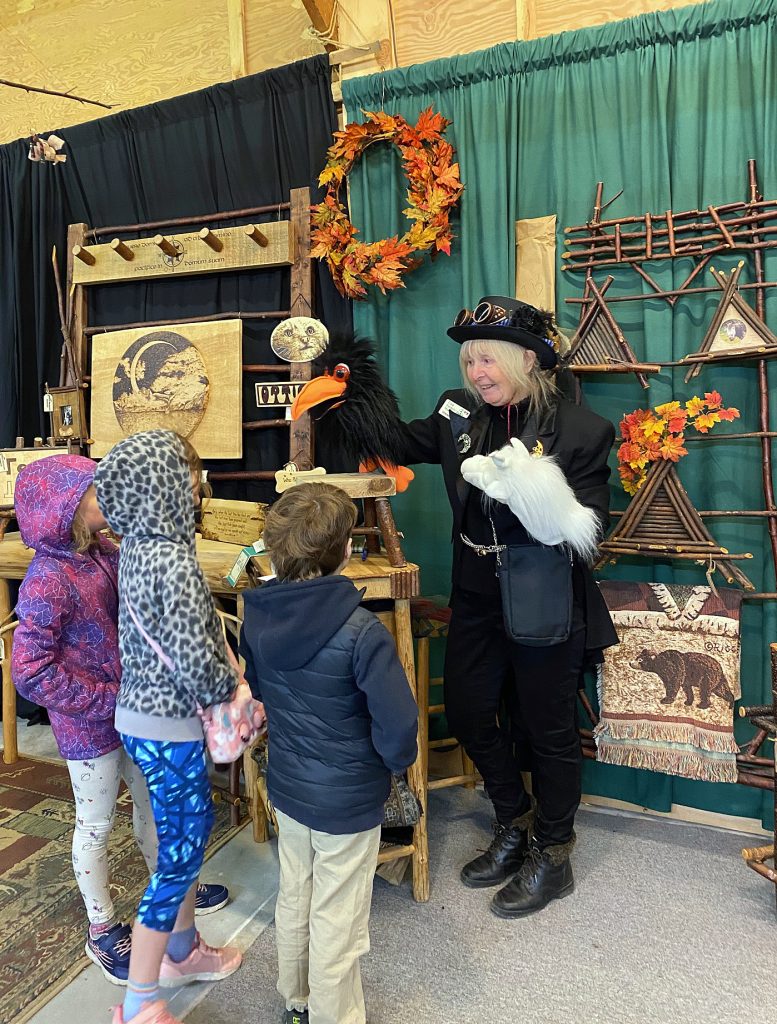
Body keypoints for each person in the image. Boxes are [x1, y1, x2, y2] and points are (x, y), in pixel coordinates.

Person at [395, 295, 617, 918]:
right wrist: (341, 395)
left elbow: (589, 529)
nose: (475, 372)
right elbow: (397, 438)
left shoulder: (581, 430)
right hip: (476, 591)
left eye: (486, 359)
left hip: (545, 597)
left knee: (547, 731)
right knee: (467, 711)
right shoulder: (458, 413)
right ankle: (513, 819)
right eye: (468, 360)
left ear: (527, 359)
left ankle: (554, 851)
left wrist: (533, 491)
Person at [11, 455, 230, 985]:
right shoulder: (47, 579)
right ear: (66, 507)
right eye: (95, 492)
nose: (108, 498)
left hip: (138, 714)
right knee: (96, 823)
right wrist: (105, 699)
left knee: (155, 807)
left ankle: (170, 890)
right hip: (90, 727)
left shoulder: (109, 551)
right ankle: (102, 928)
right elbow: (29, 670)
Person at [238, 482, 418, 1024]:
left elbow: (265, 695)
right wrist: (393, 766)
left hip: (289, 786)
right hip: (350, 796)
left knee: (295, 893)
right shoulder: (362, 631)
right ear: (344, 551)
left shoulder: (256, 616)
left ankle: (296, 1000)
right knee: (338, 914)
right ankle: (333, 1016)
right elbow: (398, 724)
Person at [93, 431, 243, 1024]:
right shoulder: (174, 559)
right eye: (189, 476)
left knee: (178, 846)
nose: (198, 487)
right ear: (163, 487)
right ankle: (141, 1000)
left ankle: (182, 953)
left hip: (141, 720)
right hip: (170, 726)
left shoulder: (136, 547)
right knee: (179, 857)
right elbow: (194, 658)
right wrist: (233, 697)